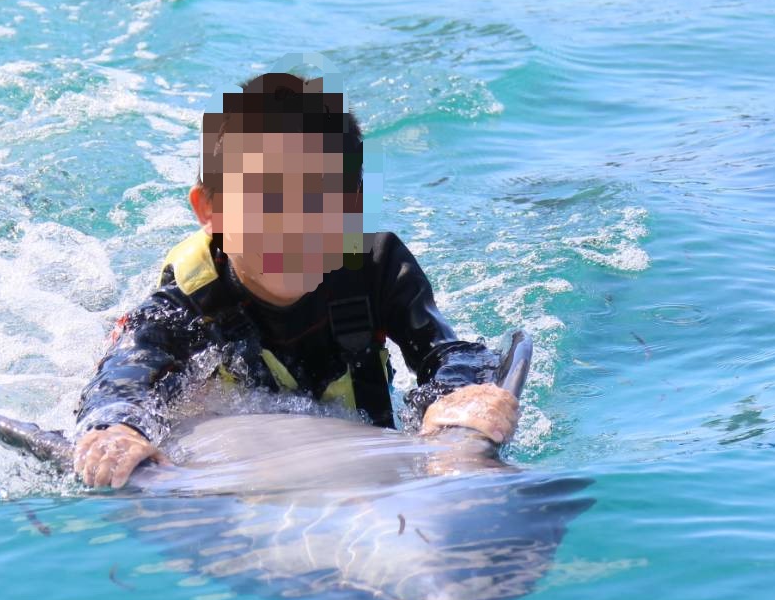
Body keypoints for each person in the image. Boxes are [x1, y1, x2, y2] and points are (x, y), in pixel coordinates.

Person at [73, 71, 519, 488]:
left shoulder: (378, 269)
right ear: (211, 211)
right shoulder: (186, 306)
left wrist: (457, 397)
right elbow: (122, 383)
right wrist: (117, 428)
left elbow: (451, 353)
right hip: (243, 468)